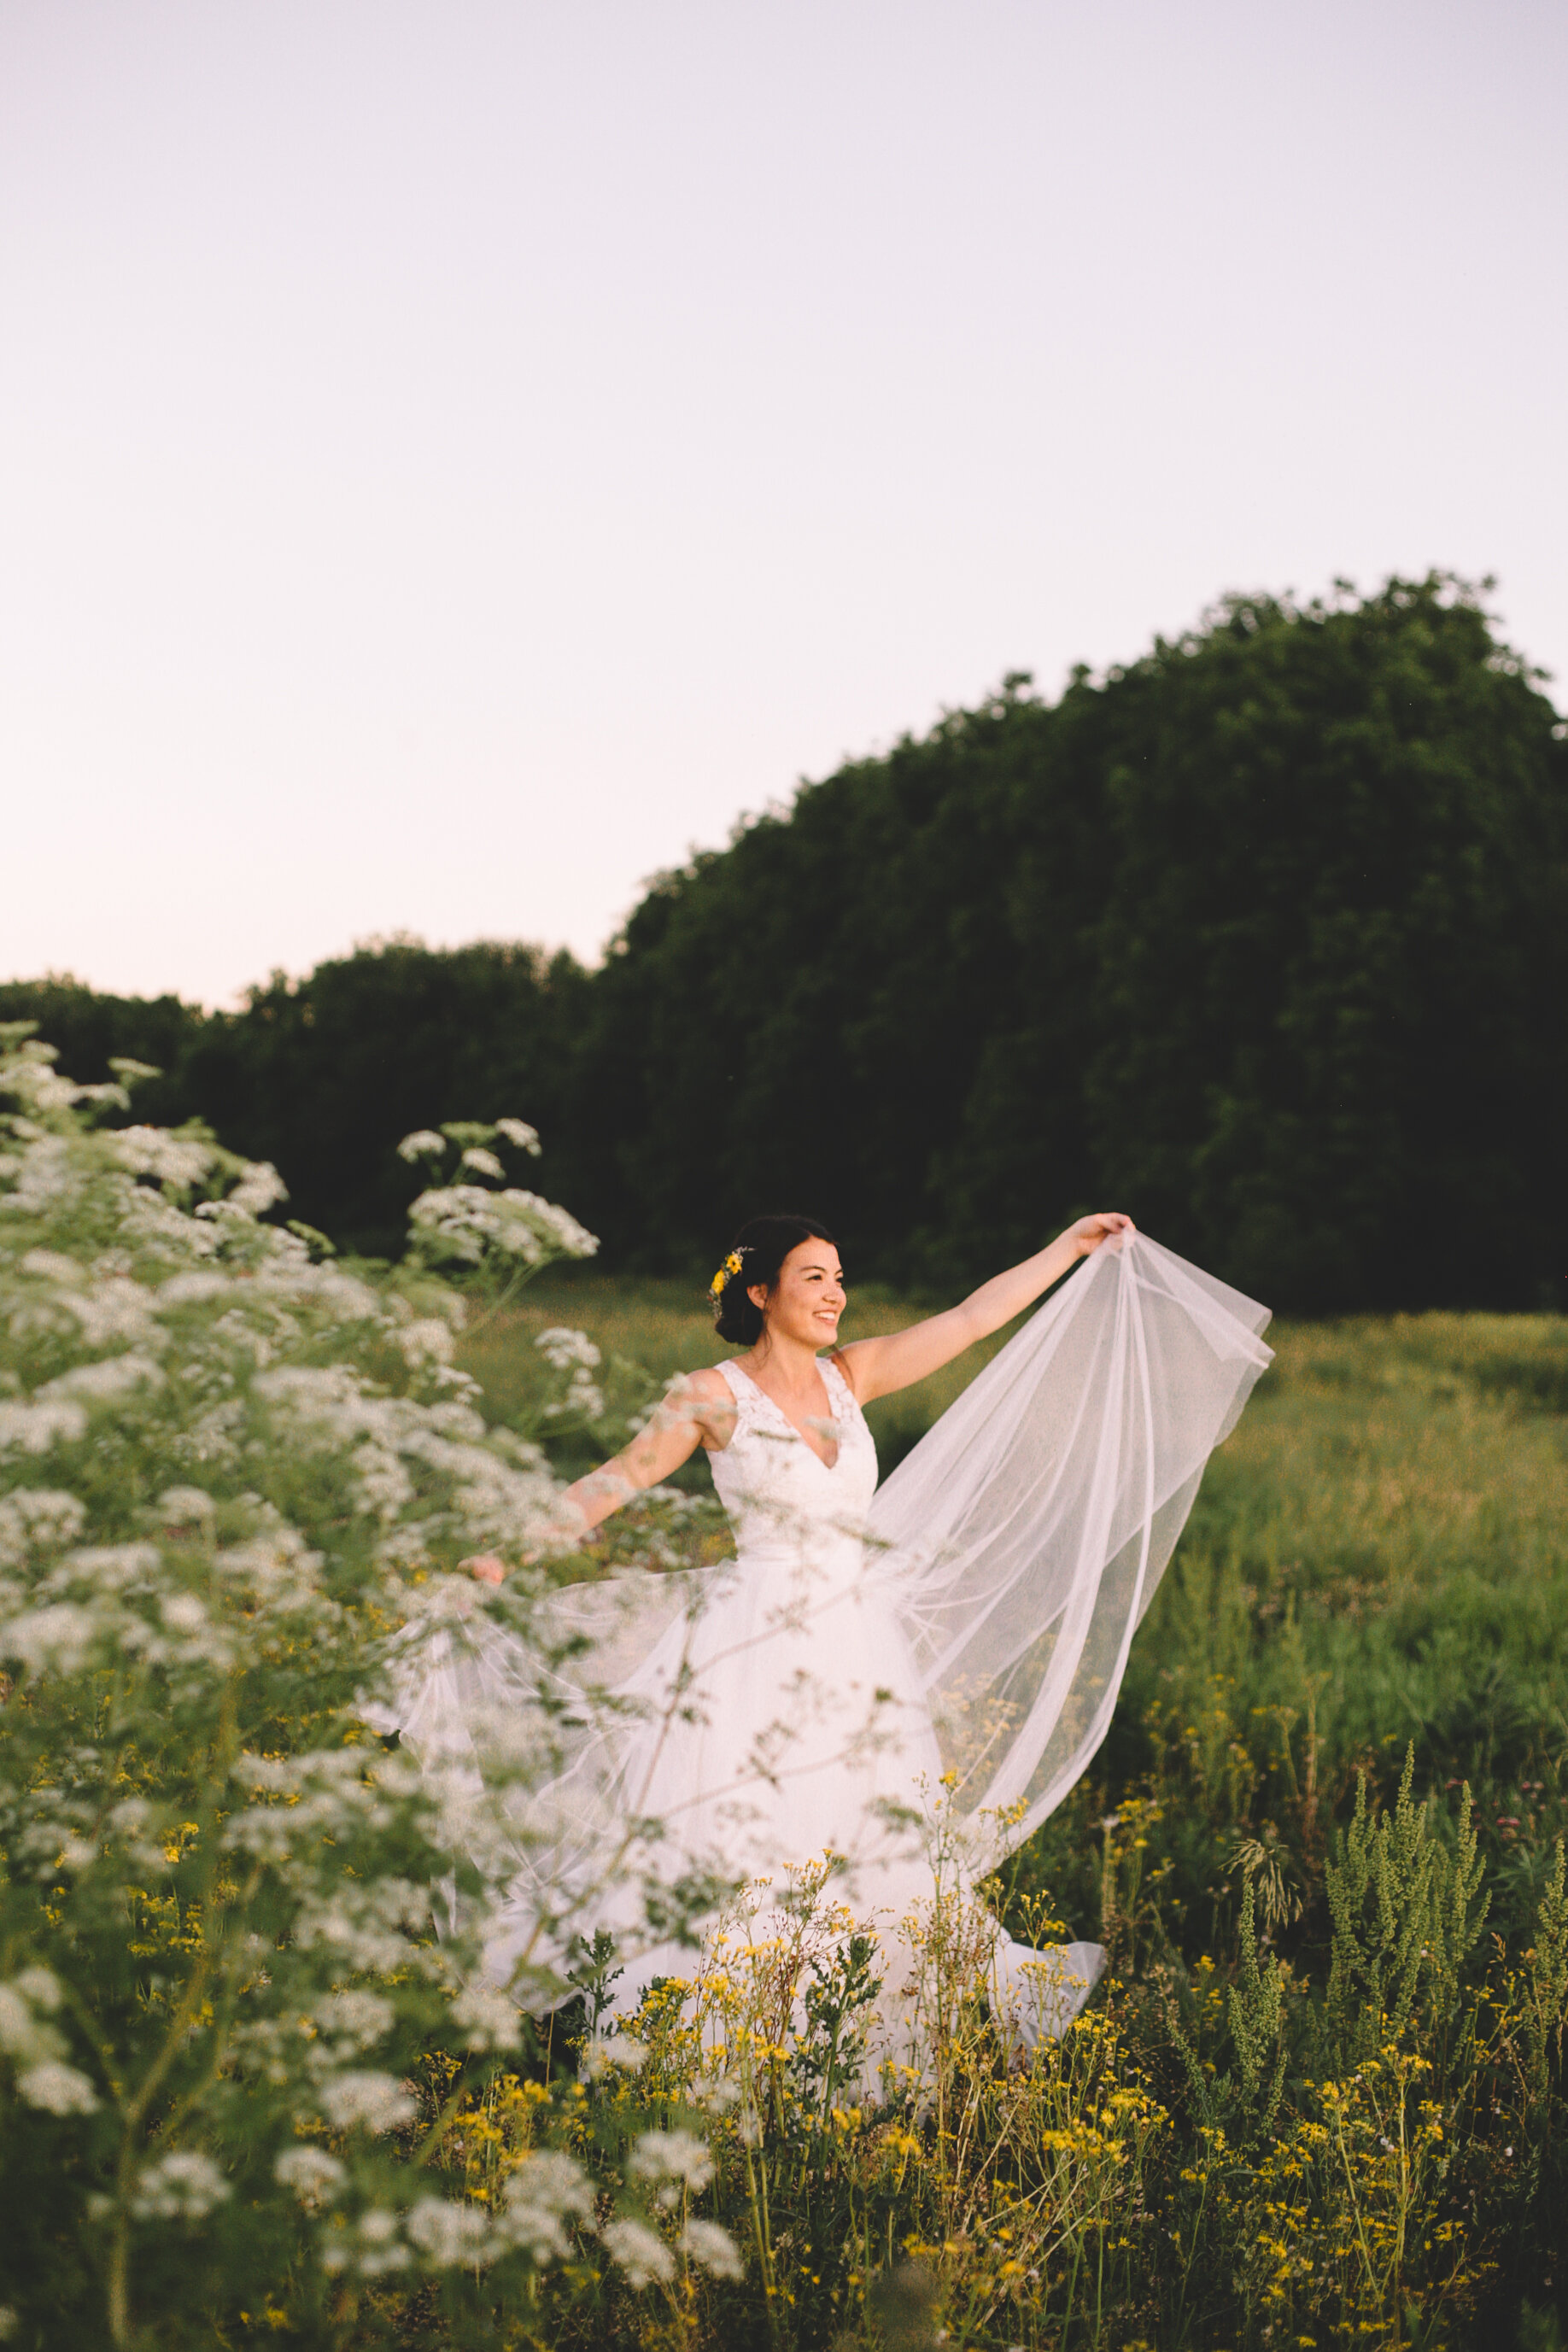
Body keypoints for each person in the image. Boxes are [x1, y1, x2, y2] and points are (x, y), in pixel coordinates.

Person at [429, 1208, 1273, 2072]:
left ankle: (861, 2029)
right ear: (760, 1293)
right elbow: (613, 1483)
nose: (837, 1293)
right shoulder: (711, 1395)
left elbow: (971, 1319)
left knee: (869, 1833)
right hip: (753, 1648)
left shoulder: (851, 1376)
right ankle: (729, 2036)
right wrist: (502, 1555)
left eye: (839, 1276)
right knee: (750, 1839)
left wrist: (1066, 1249)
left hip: (856, 1649)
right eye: (814, 1278)